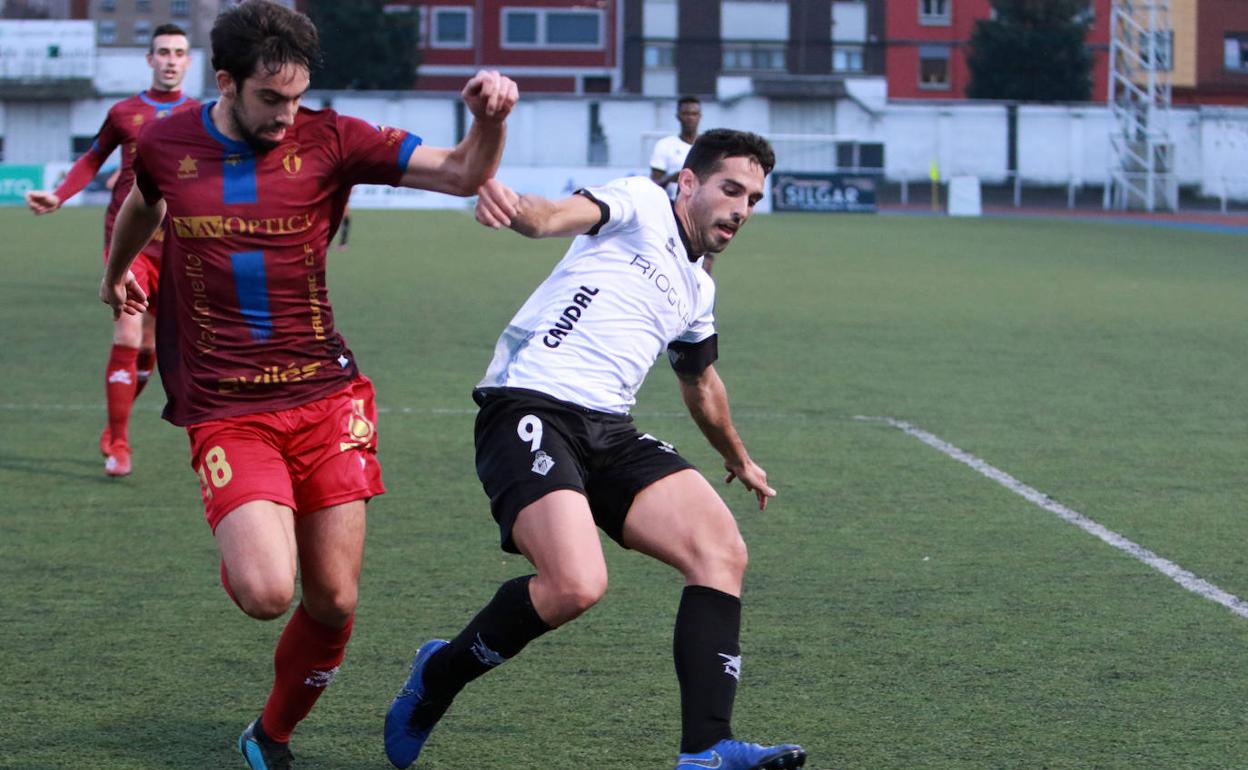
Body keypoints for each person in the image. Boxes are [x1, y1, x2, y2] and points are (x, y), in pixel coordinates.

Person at [97, 2, 518, 767]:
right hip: (228, 410)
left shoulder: (332, 137)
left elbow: (462, 173)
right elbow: (141, 202)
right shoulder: (167, 143)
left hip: (327, 400)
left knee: (335, 600)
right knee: (265, 592)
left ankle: (271, 735)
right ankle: (251, 517)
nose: (288, 115)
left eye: (297, 97)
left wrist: (490, 119)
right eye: (270, 99)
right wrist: (119, 271)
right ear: (225, 82)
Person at [385, 129, 806, 770]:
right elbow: (552, 215)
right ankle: (437, 676)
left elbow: (700, 382)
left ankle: (706, 750)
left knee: (721, 550)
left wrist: (738, 457)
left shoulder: (699, 290)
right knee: (575, 585)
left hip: (609, 428)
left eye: (752, 198)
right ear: (688, 183)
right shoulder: (640, 201)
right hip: (528, 406)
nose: (741, 209)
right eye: (730, 189)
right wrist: (512, 207)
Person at [26, 23, 197, 477]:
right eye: (163, 52)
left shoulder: (204, 114)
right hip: (129, 245)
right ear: (149, 59)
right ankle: (119, 444)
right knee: (125, 336)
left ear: (189, 61)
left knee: (149, 347)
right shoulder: (125, 112)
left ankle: (114, 424)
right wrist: (59, 195)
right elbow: (92, 158)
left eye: (179, 52)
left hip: (180, 247)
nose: (171, 60)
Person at [650, 96, 713, 273]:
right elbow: (654, 185)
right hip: (671, 214)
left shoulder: (708, 148)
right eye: (686, 113)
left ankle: (702, 301)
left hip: (702, 214)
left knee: (703, 269)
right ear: (678, 116)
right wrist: (674, 178)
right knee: (668, 266)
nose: (690, 117)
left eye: (694, 113)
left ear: (700, 116)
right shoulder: (665, 146)